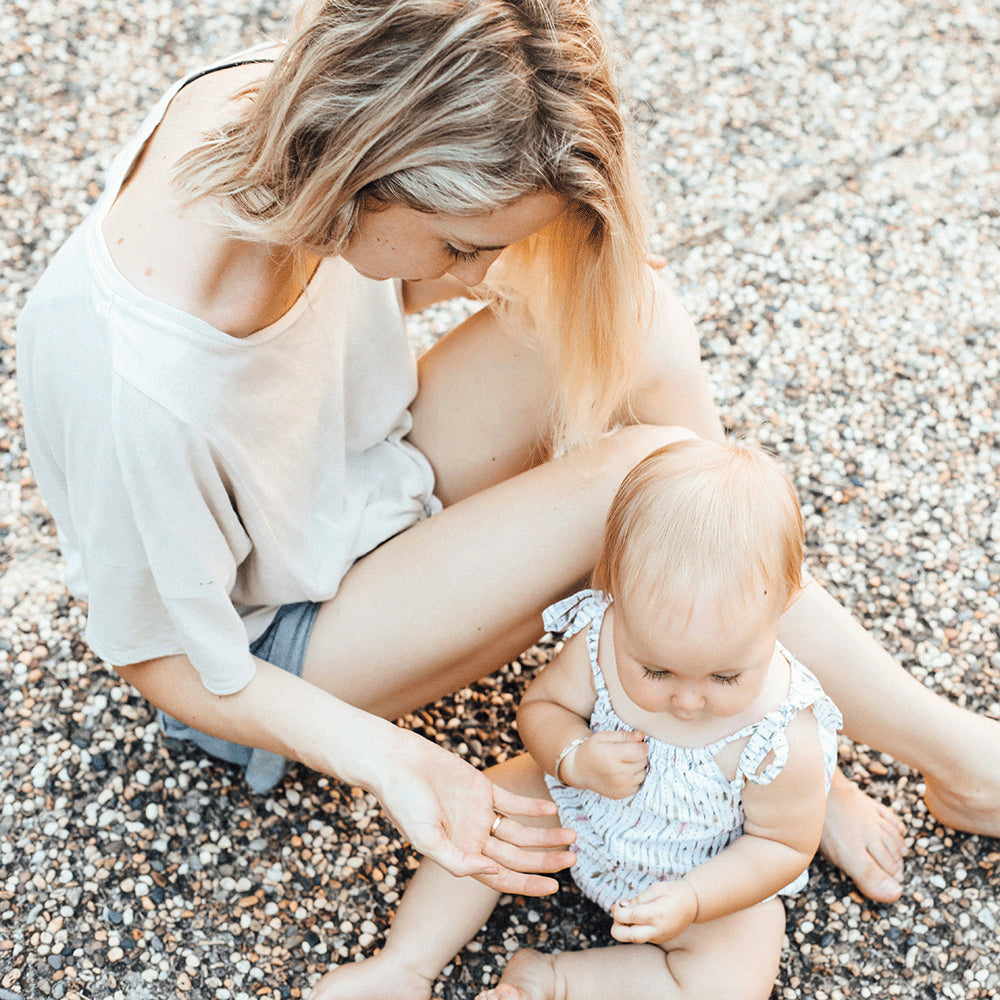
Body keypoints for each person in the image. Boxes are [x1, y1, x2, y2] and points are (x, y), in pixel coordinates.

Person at [15, 0, 1000, 934]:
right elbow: (158, 657)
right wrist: (393, 759)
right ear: (368, 168)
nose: (475, 277)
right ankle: (937, 758)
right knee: (642, 479)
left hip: (354, 475)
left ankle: (762, 707)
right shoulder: (142, 379)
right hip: (276, 645)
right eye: (460, 245)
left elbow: (339, 330)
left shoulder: (288, 110)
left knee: (635, 316)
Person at [315, 437, 844, 1000]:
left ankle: (557, 981)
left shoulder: (782, 737)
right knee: (485, 804)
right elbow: (543, 708)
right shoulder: (602, 638)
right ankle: (404, 964)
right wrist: (571, 756)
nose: (688, 702)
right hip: (577, 813)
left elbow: (780, 847)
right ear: (614, 592)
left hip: (702, 872)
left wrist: (693, 898)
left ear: (784, 602)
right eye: (657, 672)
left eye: (724, 678)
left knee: (733, 976)